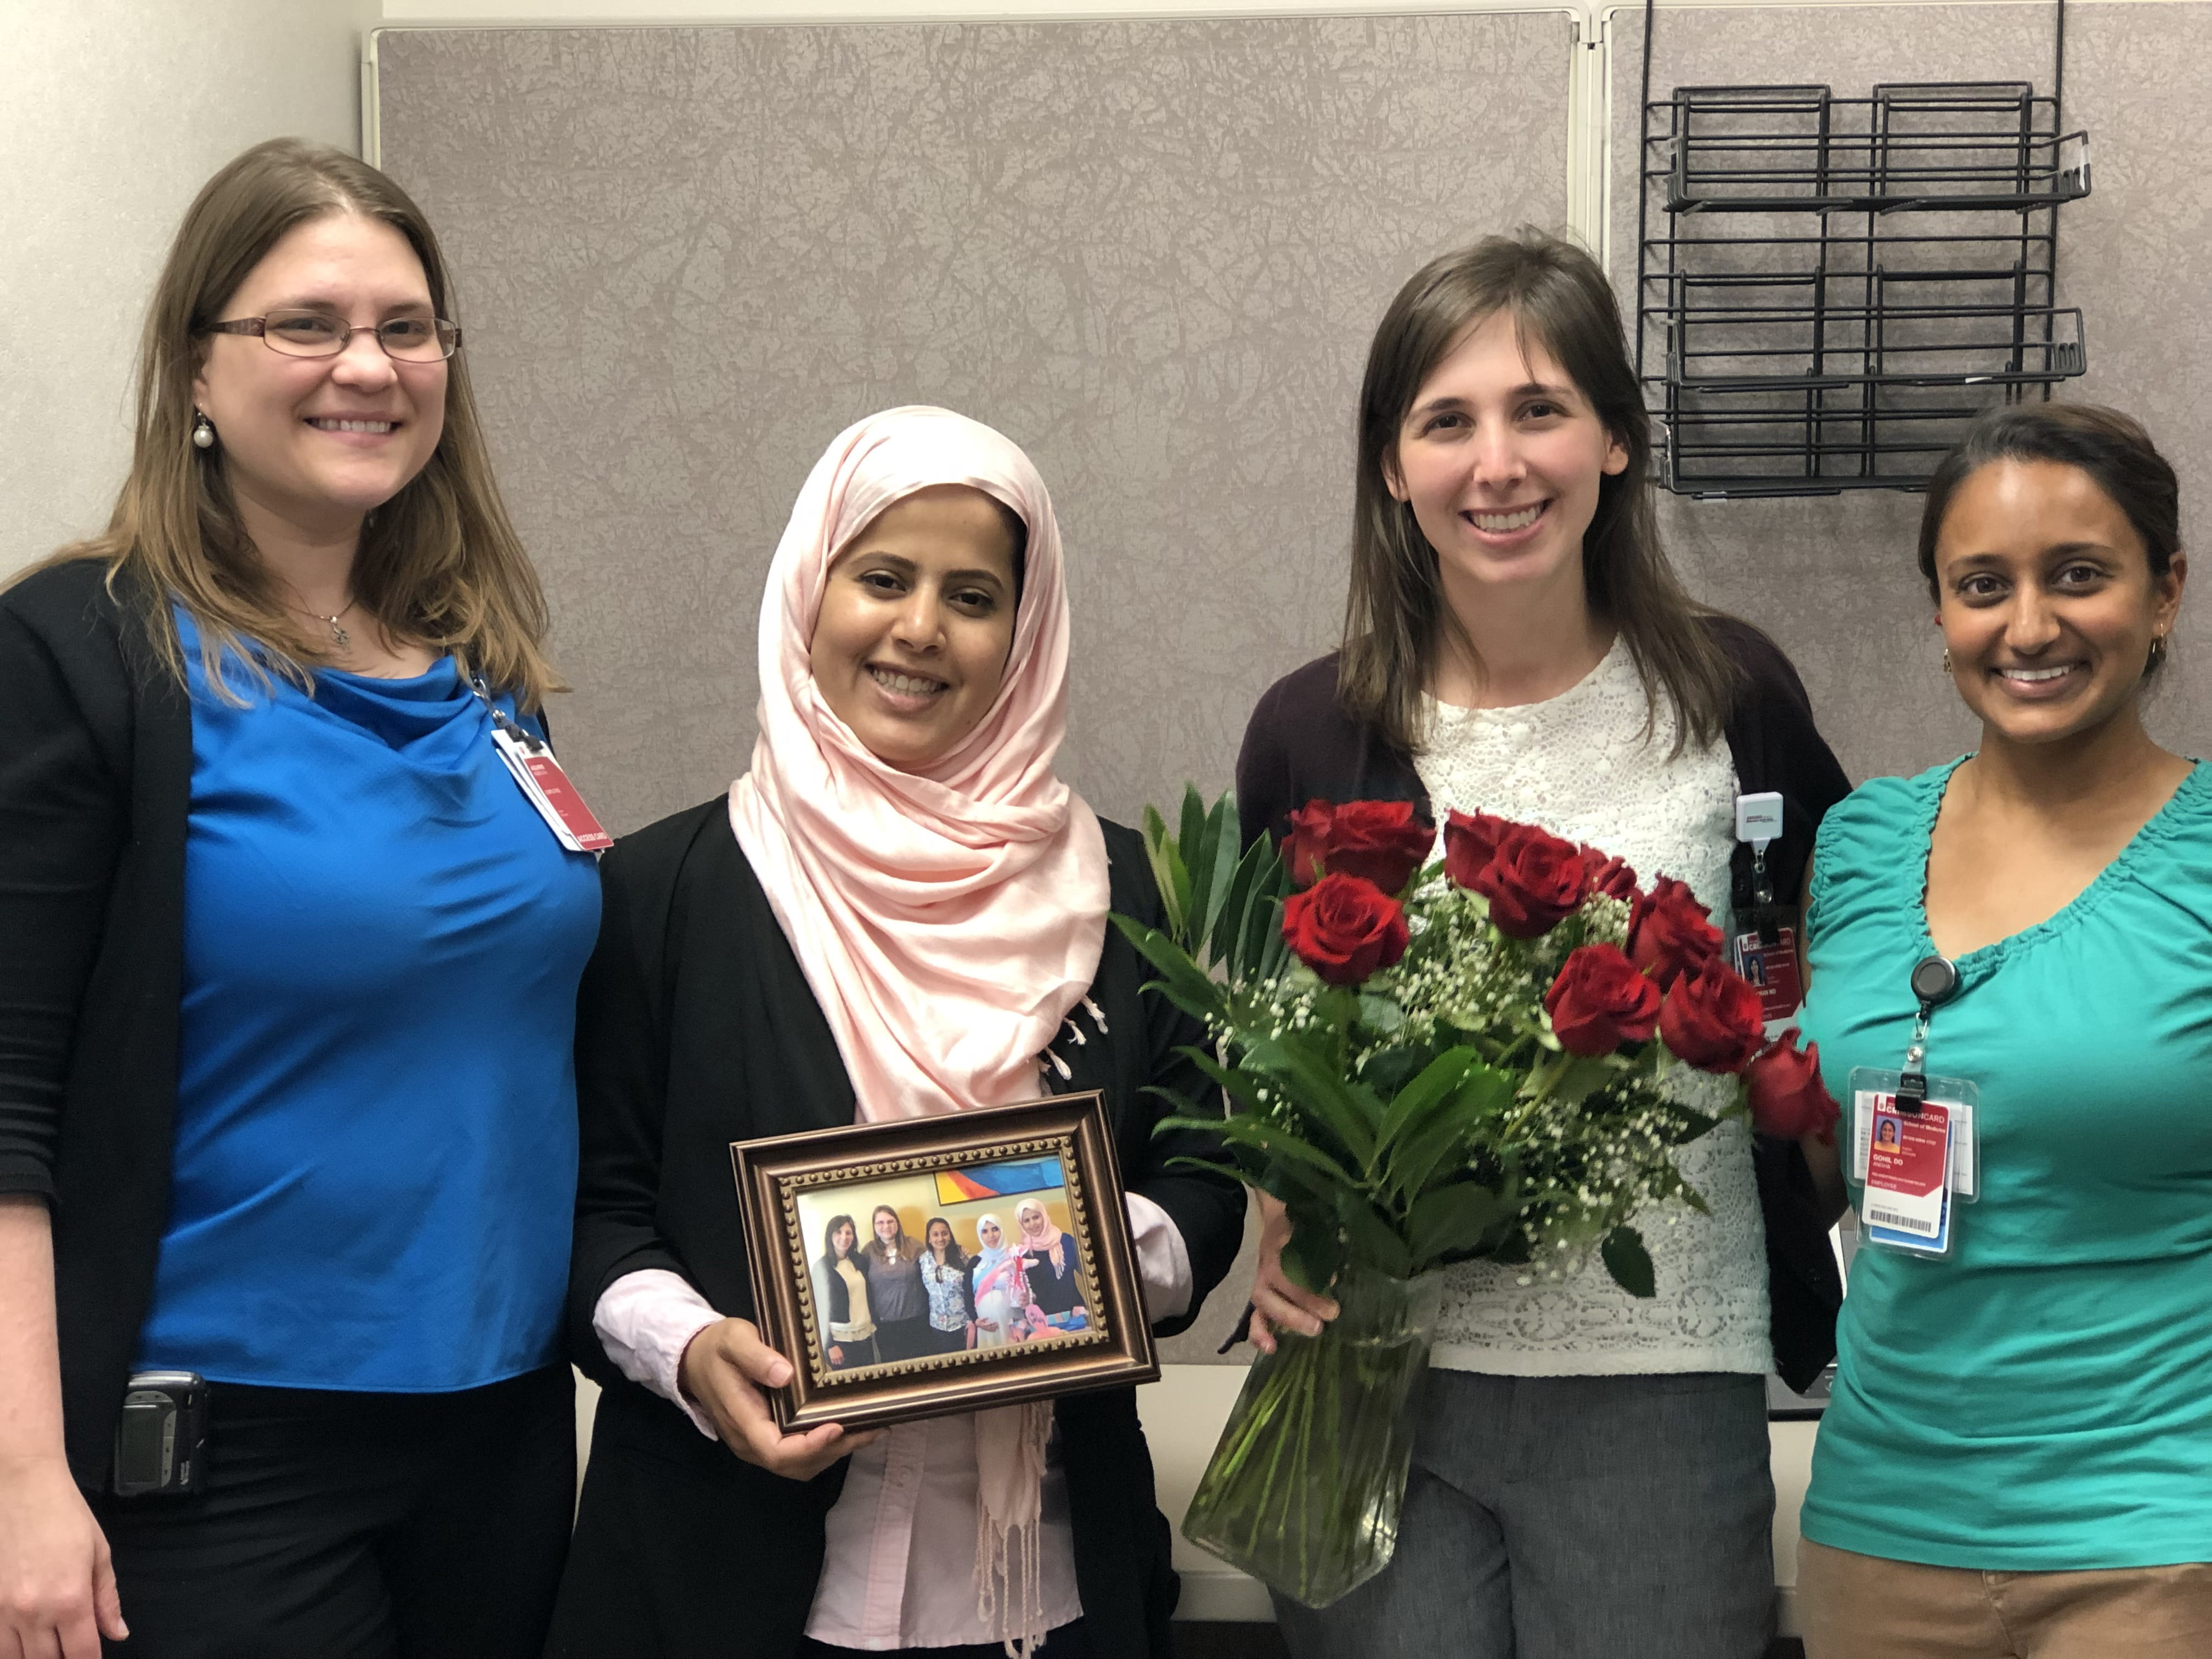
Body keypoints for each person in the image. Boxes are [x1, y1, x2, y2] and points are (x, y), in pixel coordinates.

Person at [0, 139, 598, 1659]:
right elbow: (5, 1112)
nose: (368, 367)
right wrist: (22, 1484)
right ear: (196, 369)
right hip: (220, 1454)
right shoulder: (84, 655)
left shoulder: (486, 669)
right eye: (306, 324)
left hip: (499, 1430)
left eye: (408, 328)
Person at [1232, 230, 1852, 1658]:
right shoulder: (1311, 729)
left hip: (1659, 1375)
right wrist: (1279, 1228)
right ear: (1392, 465)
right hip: (1365, 1380)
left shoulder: (1732, 696)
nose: (1495, 464)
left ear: (1618, 439)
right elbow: (1266, 1045)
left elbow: (1802, 991)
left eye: (1541, 409)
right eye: (1446, 421)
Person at [546, 406, 1245, 1658]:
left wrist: (1083, 1267)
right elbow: (593, 1207)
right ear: (812, 591)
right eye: (882, 578)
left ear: (1024, 635)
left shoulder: (1125, 895)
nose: (920, 627)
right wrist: (694, 1349)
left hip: (1054, 1595)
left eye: (973, 595)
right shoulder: (664, 895)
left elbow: (1199, 1171)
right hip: (720, 1581)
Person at [1794, 404, 2212, 1658]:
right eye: (1984, 585)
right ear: (1940, 615)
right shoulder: (1860, 841)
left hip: (2154, 1531)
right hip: (1879, 1519)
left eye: (2078, 575)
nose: (2028, 626)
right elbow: (1831, 1154)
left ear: (2163, 594)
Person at [860, 1205, 932, 1361]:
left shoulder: (914, 1245)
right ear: (874, 1226)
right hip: (886, 1325)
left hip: (917, 1320)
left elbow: (936, 1261)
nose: (886, 1226)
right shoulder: (868, 1251)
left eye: (890, 1221)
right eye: (880, 1222)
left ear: (897, 1224)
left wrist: (959, 1252)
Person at [1015, 1199, 1087, 1333]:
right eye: (1027, 1221)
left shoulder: (1065, 1240)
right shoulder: (1022, 1254)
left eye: (1036, 1217)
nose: (1033, 1224)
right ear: (1022, 1225)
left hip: (1075, 1313)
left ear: (1044, 1216)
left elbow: (1088, 1273)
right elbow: (1026, 1292)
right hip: (1043, 1320)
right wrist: (1025, 1298)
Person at [815, 1216, 877, 1370]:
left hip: (866, 1336)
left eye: (849, 1233)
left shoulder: (861, 1261)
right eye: (839, 1233)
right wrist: (830, 1345)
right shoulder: (821, 1268)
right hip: (840, 1341)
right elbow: (817, 1310)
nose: (844, 1237)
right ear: (830, 1236)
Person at [969, 1214, 1028, 1350]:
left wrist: (1027, 1298)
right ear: (980, 1235)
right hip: (986, 1328)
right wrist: (975, 1320)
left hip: (1012, 1324)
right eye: (985, 1231)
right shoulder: (975, 1262)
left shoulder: (1015, 1255)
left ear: (1002, 1230)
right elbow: (967, 1294)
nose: (991, 1235)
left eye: (995, 1229)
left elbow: (1027, 1287)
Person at [919, 1217, 975, 1355]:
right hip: (937, 1326)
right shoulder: (923, 1260)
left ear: (950, 1234)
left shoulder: (963, 1255)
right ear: (929, 1238)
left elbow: (975, 1286)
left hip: (964, 1323)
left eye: (945, 1233)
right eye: (935, 1234)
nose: (940, 1238)